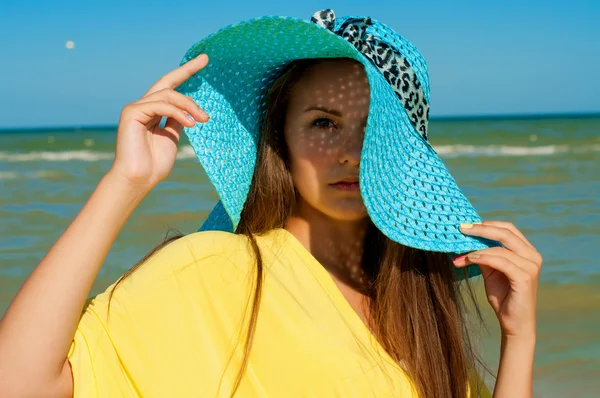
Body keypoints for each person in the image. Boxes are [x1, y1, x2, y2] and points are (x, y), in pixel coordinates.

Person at [0, 9, 541, 398]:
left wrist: (519, 338)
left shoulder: (419, 313)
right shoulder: (210, 271)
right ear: (281, 138)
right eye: (323, 123)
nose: (351, 154)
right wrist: (126, 182)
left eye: (376, 128)